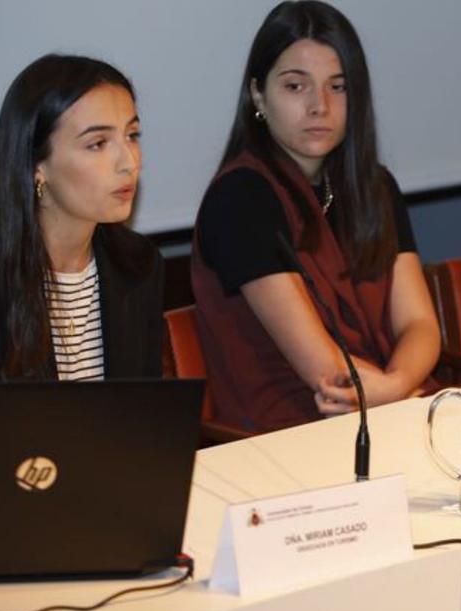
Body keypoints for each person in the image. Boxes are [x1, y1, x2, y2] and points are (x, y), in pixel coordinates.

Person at [192, 0, 440, 433]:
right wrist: (394, 396)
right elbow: (323, 368)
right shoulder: (240, 197)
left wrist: (396, 386)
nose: (319, 106)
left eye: (337, 87)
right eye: (295, 86)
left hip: (387, 406)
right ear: (257, 94)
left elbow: (419, 324)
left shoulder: (375, 187)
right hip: (297, 429)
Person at [0, 55, 162, 381]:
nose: (128, 163)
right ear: (36, 165)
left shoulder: (140, 264)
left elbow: (147, 409)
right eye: (97, 144)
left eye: (132, 135)